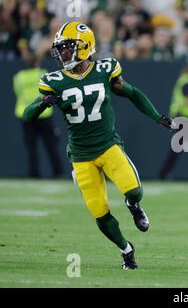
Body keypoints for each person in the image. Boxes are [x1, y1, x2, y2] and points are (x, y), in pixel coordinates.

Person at [23, 21, 176, 269]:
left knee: (134, 191)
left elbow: (133, 93)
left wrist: (158, 117)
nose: (62, 53)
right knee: (100, 213)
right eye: (61, 49)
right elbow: (28, 116)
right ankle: (126, 249)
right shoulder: (53, 81)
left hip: (107, 146)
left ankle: (133, 206)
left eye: (67, 47)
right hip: (81, 155)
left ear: (84, 47)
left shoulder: (105, 69)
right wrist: (43, 104)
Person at [13, 54, 64, 178]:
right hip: (44, 113)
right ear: (37, 63)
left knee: (31, 147)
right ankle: (58, 173)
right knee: (51, 145)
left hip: (25, 114)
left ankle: (34, 174)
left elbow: (17, 92)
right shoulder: (43, 74)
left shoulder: (19, 77)